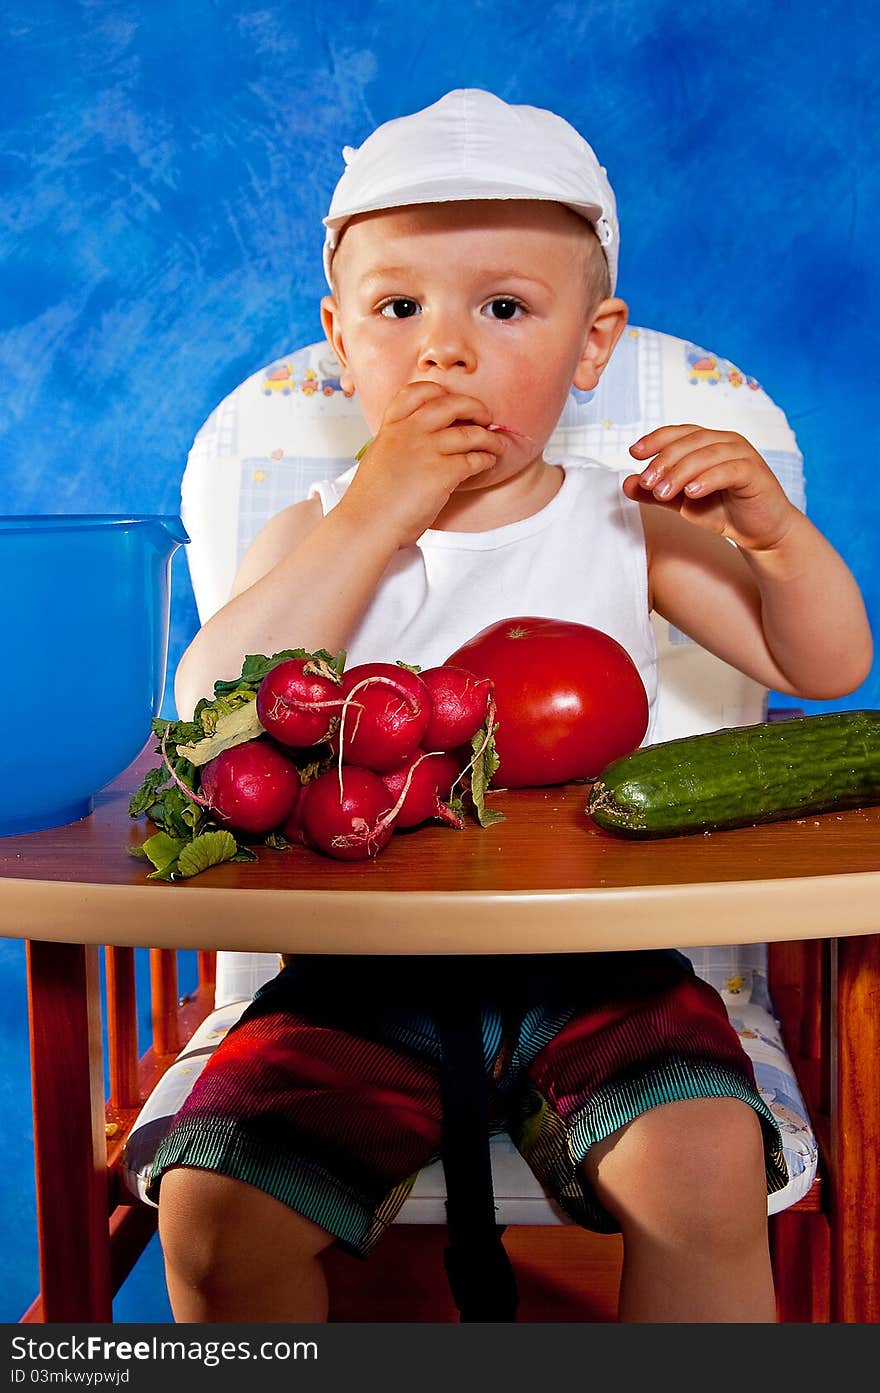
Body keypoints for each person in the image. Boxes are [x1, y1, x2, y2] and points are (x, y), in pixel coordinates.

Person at [151, 89, 872, 1323]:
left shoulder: (625, 520)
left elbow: (825, 666)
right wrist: (379, 509)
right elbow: (204, 709)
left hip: (604, 971)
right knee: (214, 1218)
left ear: (591, 348)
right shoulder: (312, 532)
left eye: (502, 308)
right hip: (348, 981)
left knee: (699, 1171)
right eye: (397, 309)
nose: (444, 349)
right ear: (339, 342)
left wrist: (775, 533)